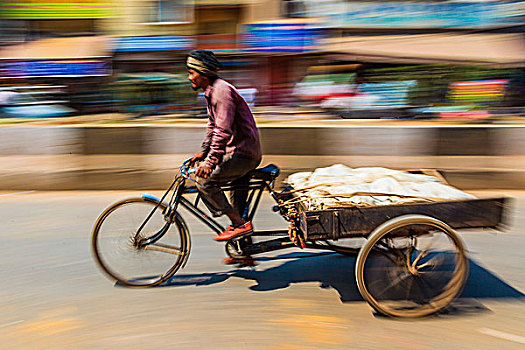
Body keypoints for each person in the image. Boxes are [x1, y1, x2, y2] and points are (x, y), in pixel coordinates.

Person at [186, 50, 262, 242]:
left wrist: (209, 163)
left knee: (205, 182)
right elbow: (212, 126)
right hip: (237, 151)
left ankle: (239, 224)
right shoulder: (212, 92)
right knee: (237, 202)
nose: (189, 77)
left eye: (191, 72)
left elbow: (222, 130)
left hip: (242, 153)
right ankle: (244, 251)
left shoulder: (221, 92)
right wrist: (203, 153)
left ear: (203, 73)